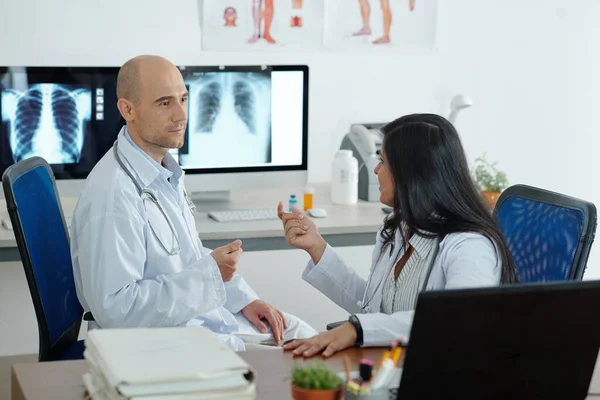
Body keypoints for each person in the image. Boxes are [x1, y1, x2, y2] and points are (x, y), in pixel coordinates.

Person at [70, 55, 317, 351]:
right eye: (164, 103)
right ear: (128, 109)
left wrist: (246, 299)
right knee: (304, 352)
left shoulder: (161, 170)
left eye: (183, 99)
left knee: (303, 334)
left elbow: (183, 254)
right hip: (151, 343)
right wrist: (210, 277)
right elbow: (118, 311)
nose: (181, 115)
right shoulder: (114, 195)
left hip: (186, 321)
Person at [277, 113, 519, 357]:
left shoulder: (470, 246)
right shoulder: (398, 230)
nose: (376, 169)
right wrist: (317, 247)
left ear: (411, 173)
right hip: (391, 364)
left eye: (382, 161)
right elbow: (373, 309)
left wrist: (357, 329)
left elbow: (459, 318)